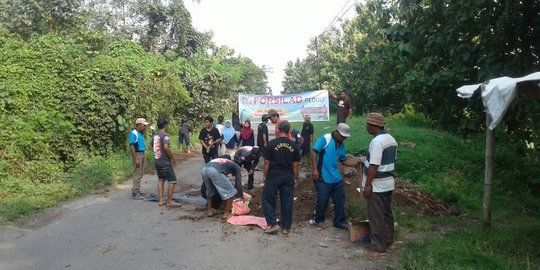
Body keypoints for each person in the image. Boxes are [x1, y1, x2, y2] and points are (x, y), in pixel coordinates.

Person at [361, 113, 398, 258]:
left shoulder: (377, 142)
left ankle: (378, 248)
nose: (366, 127)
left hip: (377, 185)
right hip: (388, 183)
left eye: (367, 125)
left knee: (376, 216)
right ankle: (389, 242)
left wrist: (368, 185)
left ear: (373, 125)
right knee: (387, 214)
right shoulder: (391, 139)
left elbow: (374, 166)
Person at [310, 123, 360, 229]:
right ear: (336, 132)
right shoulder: (326, 138)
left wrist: (355, 164)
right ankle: (318, 220)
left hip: (335, 177)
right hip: (322, 176)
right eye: (342, 136)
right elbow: (314, 151)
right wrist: (314, 169)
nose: (343, 138)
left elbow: (343, 160)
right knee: (323, 199)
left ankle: (339, 221)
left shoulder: (341, 145)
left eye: (345, 137)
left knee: (340, 199)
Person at [262, 120, 300, 235]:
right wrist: (294, 178)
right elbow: (295, 164)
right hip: (288, 175)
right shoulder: (294, 145)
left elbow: (266, 162)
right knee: (287, 201)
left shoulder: (272, 143)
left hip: (274, 175)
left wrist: (265, 175)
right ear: (289, 130)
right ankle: (285, 228)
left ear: (278, 130)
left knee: (267, 199)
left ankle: (273, 224)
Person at [151, 118, 181, 207]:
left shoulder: (155, 135)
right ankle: (169, 201)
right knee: (172, 180)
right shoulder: (165, 135)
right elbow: (166, 147)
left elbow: (150, 146)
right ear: (165, 126)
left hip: (157, 161)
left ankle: (161, 200)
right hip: (165, 162)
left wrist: (157, 151)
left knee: (161, 180)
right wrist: (172, 158)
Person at [128, 118, 149, 200]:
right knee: (137, 173)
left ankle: (137, 190)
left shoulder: (140, 133)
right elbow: (132, 146)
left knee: (140, 173)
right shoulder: (134, 133)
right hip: (137, 154)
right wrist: (136, 158)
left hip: (142, 153)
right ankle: (135, 192)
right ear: (139, 124)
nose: (145, 127)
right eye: (144, 125)